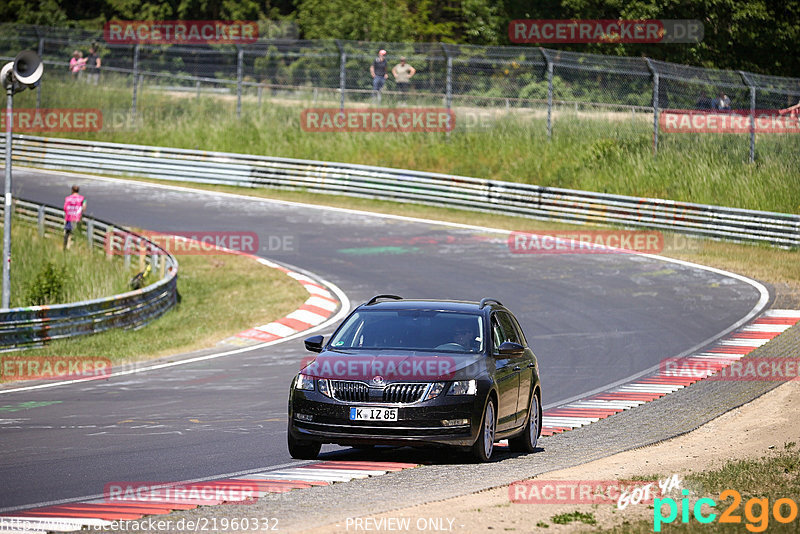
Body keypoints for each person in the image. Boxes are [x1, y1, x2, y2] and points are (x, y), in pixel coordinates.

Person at [63, 185, 86, 250]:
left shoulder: (67, 198)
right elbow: (84, 208)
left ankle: (65, 247)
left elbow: (64, 208)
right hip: (77, 218)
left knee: (67, 233)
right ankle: (76, 248)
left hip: (69, 217)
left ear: (72, 190)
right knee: (77, 233)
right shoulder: (82, 198)